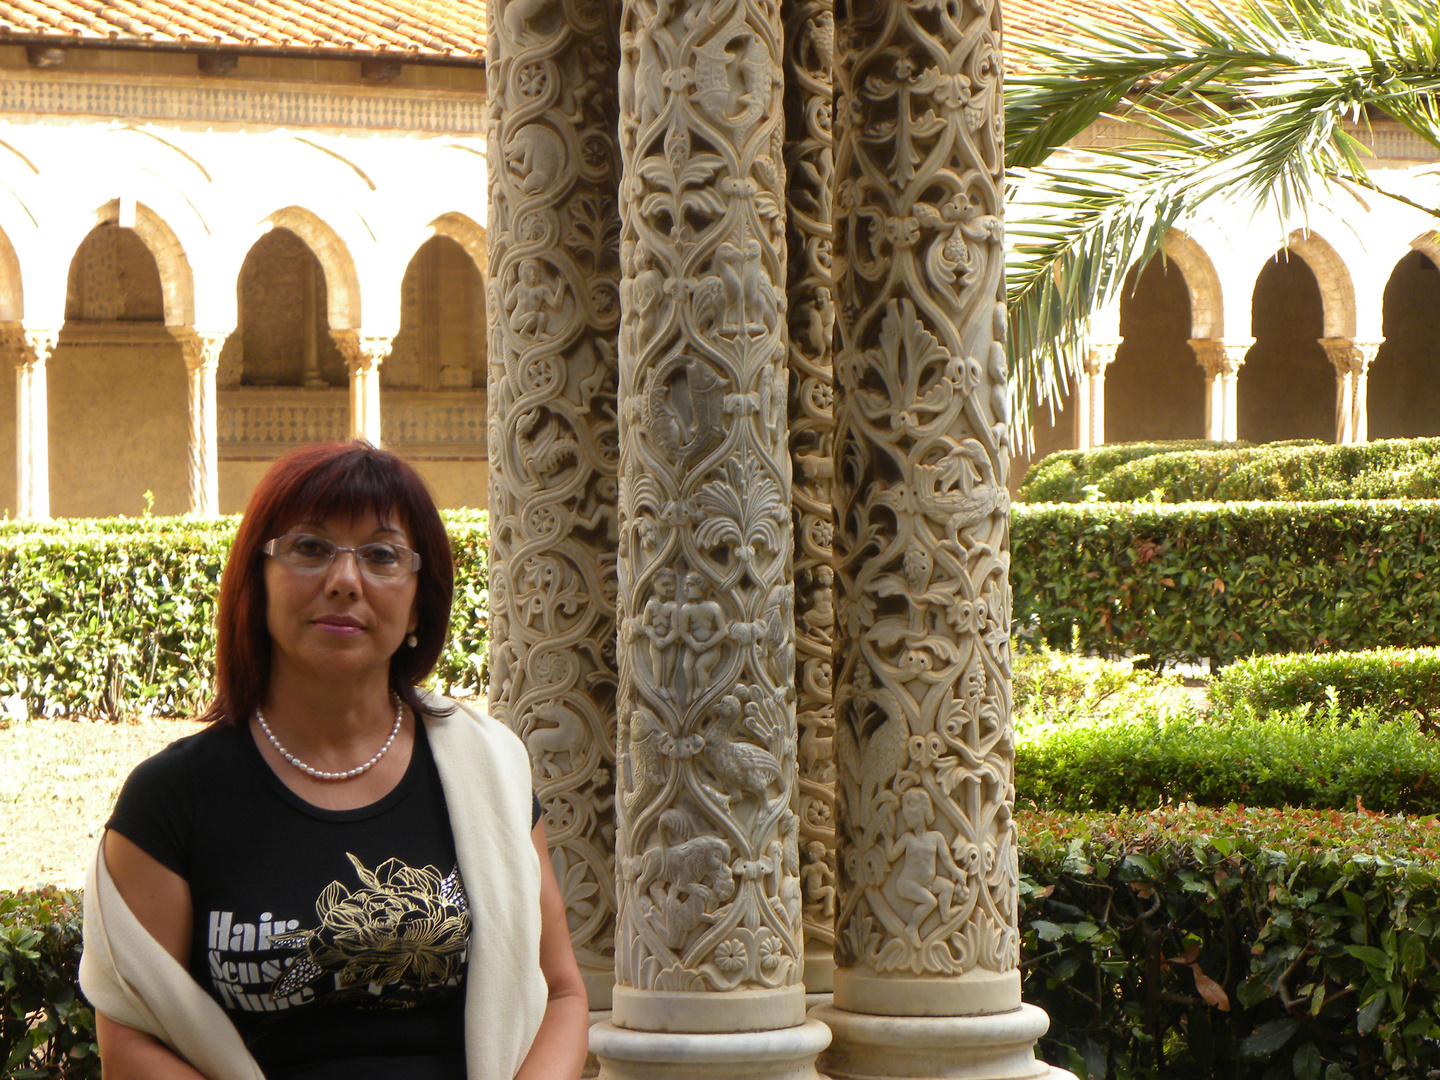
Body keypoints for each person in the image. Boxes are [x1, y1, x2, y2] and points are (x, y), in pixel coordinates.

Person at [79, 442, 589, 1080]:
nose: (345, 579)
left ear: (417, 604)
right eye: (310, 548)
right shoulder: (173, 798)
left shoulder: (490, 769)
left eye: (380, 555)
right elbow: (130, 1036)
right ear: (256, 583)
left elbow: (562, 992)